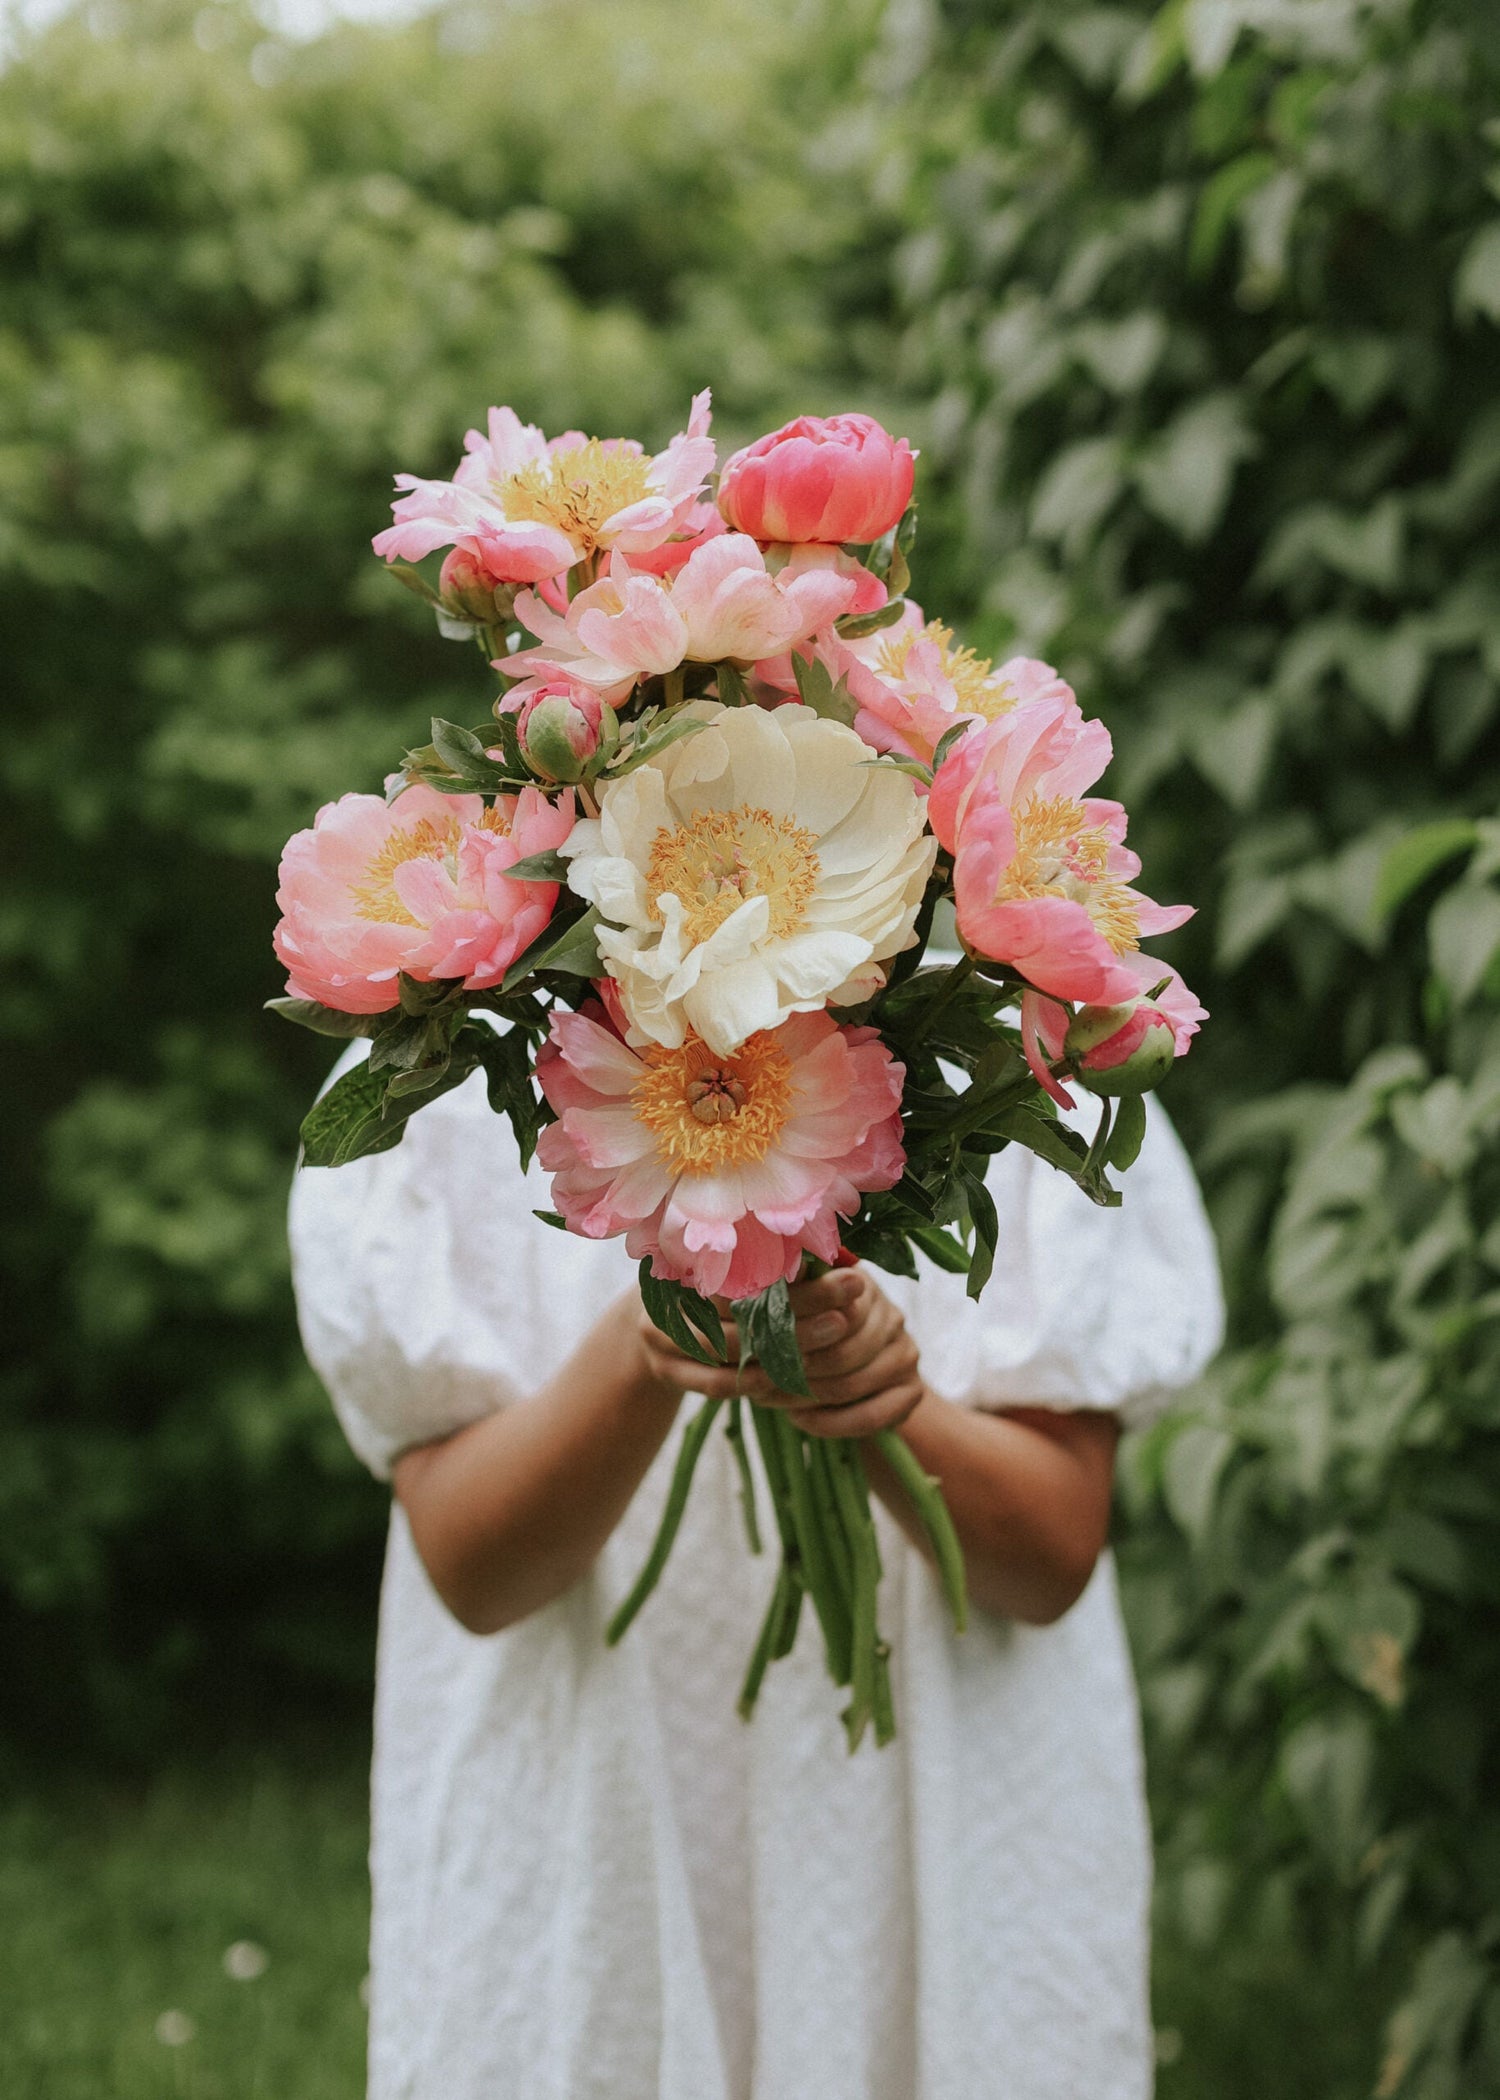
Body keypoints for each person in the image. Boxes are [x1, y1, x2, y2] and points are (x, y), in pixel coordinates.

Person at [289, 1033, 1222, 2100]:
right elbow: (475, 1571)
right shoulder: (438, 1080)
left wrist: (878, 1398)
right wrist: (649, 1338)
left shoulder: (1025, 1053)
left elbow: (1049, 1558)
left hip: (953, 1801)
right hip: (586, 1814)